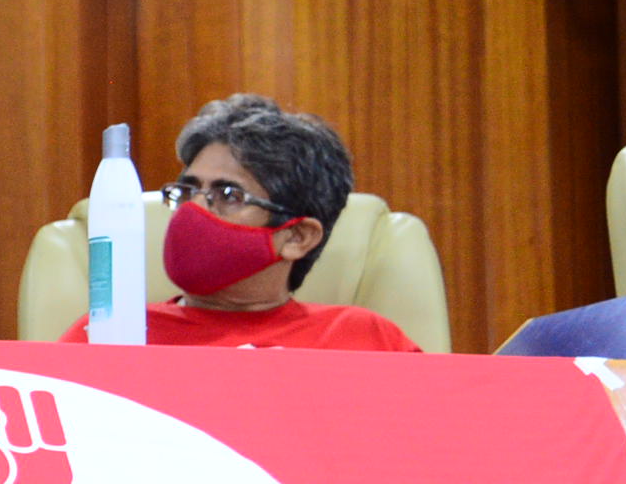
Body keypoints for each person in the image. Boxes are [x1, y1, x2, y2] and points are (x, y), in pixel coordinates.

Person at [62, 93, 420, 350]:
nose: (194, 210)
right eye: (187, 190)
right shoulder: (107, 337)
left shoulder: (367, 341)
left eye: (228, 195)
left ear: (297, 236)